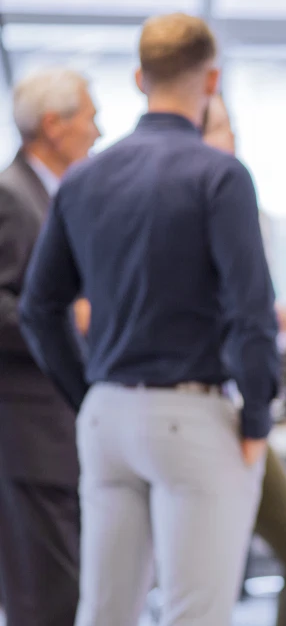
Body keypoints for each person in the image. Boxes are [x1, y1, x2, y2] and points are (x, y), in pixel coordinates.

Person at [18, 13, 281, 626]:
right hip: (191, 417)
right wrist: (258, 417)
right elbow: (251, 312)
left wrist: (87, 393)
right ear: (211, 80)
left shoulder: (83, 178)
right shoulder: (219, 175)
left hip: (107, 419)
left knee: (104, 612)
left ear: (140, 79)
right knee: (195, 614)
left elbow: (38, 308)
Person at [202, 93, 286, 626]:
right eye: (215, 127)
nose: (228, 139)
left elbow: (255, 320)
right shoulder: (169, 211)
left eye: (229, 126)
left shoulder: (248, 213)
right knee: (208, 580)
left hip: (241, 411)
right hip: (208, 413)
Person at [0, 67, 99, 626]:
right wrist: (69, 315)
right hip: (28, 432)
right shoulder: (12, 196)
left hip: (60, 429)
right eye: (90, 117)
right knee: (44, 598)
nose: (97, 131)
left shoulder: (59, 195)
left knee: (68, 591)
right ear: (55, 126)